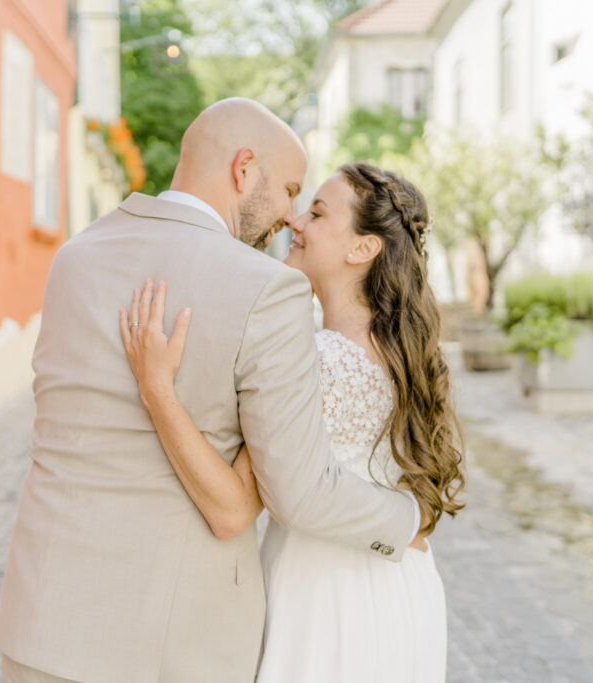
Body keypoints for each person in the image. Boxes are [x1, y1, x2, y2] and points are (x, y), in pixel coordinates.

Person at [0, 99, 423, 683]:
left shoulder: (75, 256)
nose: (289, 217)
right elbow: (275, 498)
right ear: (244, 170)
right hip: (170, 646)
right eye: (290, 190)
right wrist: (407, 520)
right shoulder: (265, 289)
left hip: (41, 625)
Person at [120, 163, 465, 682]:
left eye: (318, 213)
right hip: (403, 592)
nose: (295, 222)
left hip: (328, 605)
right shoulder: (402, 355)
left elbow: (233, 504)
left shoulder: (317, 362)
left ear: (361, 249)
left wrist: (158, 391)